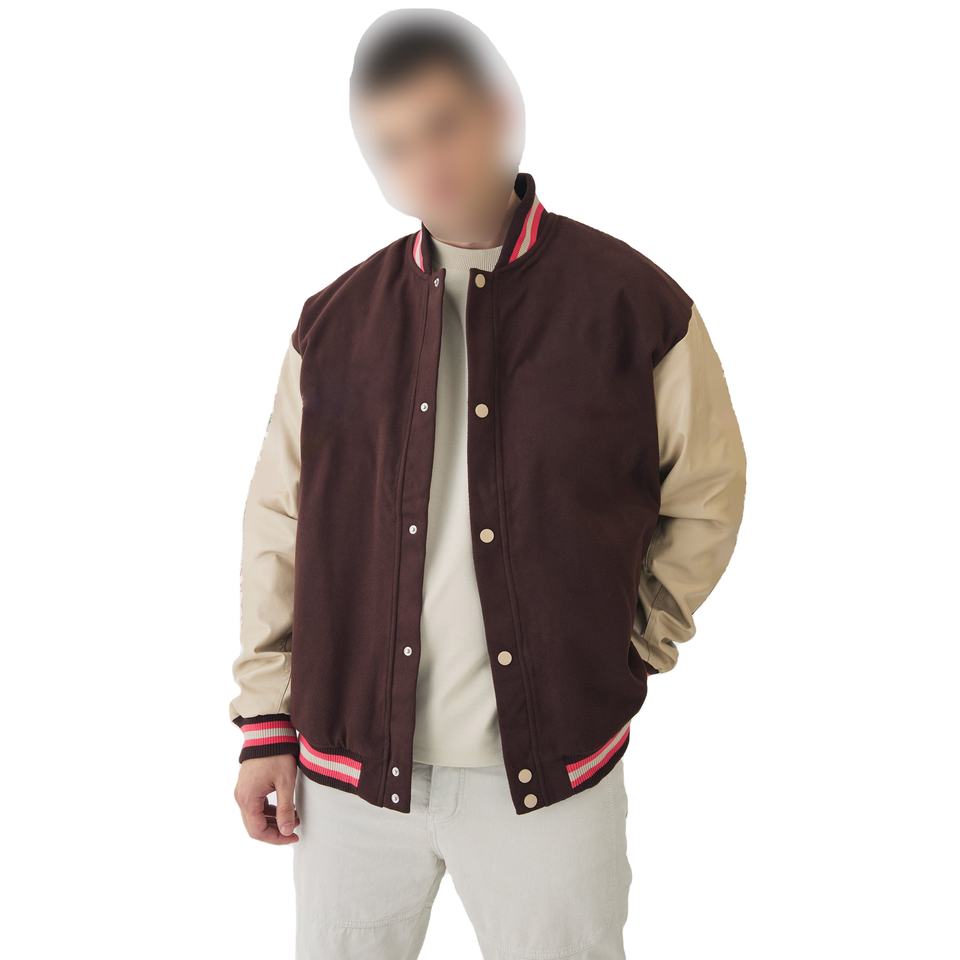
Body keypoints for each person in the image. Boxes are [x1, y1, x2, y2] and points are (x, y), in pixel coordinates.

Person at [229, 10, 747, 959]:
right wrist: (267, 719)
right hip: (350, 782)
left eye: (444, 125)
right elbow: (279, 524)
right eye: (393, 146)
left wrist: (634, 642)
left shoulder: (633, 306)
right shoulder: (333, 324)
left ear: (503, 111)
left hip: (550, 778)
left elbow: (707, 494)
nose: (426, 164)